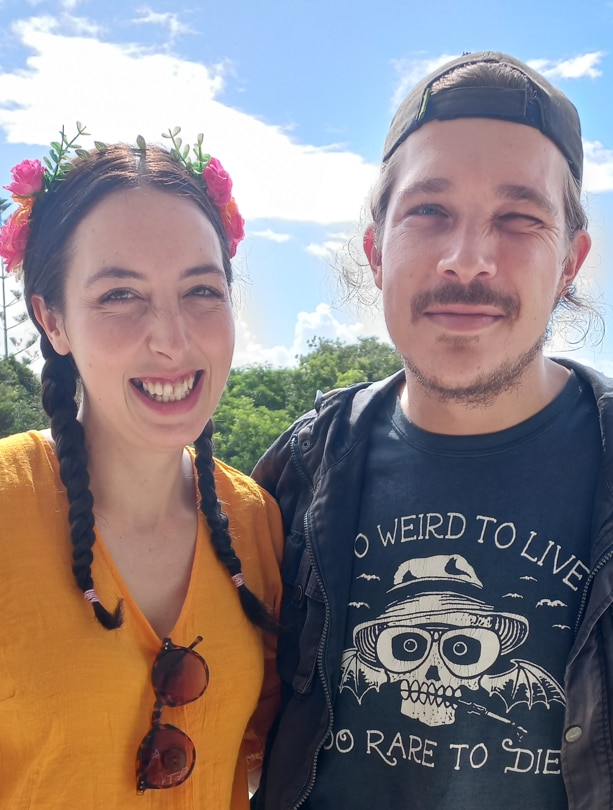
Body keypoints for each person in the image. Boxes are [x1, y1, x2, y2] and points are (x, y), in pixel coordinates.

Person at [252, 51, 613, 810]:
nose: (467, 260)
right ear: (376, 249)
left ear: (570, 262)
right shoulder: (298, 472)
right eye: (429, 211)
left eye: (518, 218)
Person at [0, 126, 283, 808]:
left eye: (201, 291)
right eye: (120, 296)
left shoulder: (254, 522)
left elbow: (253, 758)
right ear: (53, 320)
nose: (172, 338)